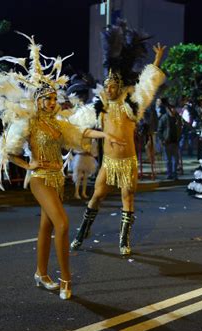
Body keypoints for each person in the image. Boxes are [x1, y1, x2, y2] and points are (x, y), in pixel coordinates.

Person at [0, 33, 125, 300]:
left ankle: (41, 273)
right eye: (47, 99)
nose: (51, 102)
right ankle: (66, 279)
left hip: (58, 179)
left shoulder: (58, 124)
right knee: (62, 224)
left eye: (54, 99)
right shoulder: (28, 123)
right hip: (40, 178)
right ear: (38, 101)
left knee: (47, 227)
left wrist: (107, 136)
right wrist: (28, 164)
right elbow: (5, 150)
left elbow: (81, 133)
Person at [70, 20, 166, 256]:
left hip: (128, 161)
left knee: (128, 196)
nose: (109, 89)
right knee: (97, 196)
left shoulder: (130, 105)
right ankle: (82, 233)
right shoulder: (99, 107)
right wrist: (104, 134)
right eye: (107, 85)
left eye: (113, 86)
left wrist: (156, 61)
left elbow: (146, 86)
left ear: (120, 87)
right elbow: (81, 128)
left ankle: (124, 241)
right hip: (109, 162)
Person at [157, 98, 182, 180]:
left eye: (174, 108)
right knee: (168, 160)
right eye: (171, 108)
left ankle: (175, 174)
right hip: (167, 142)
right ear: (168, 109)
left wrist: (180, 137)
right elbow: (159, 131)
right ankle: (169, 174)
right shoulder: (164, 118)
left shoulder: (178, 117)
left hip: (175, 142)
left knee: (176, 160)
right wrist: (163, 140)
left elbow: (180, 128)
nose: (173, 109)